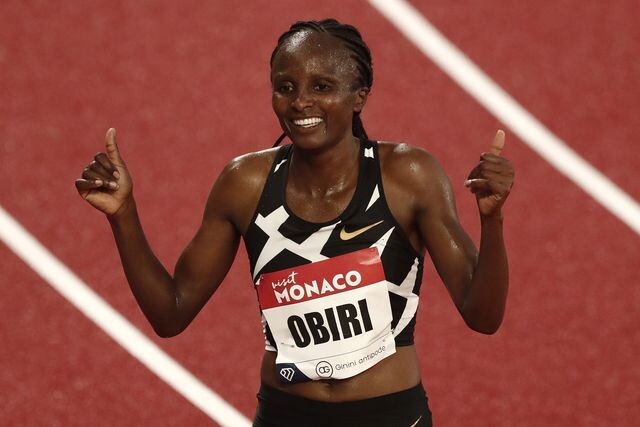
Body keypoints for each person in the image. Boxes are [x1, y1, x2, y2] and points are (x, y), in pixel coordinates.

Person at [76, 19, 514, 427]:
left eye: (322, 86)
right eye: (285, 87)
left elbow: (483, 315)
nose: (301, 102)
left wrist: (491, 220)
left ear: (359, 96)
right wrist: (123, 214)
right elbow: (171, 313)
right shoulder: (245, 184)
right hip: (285, 415)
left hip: (389, 415)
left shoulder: (407, 176)